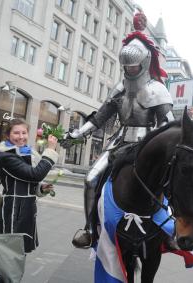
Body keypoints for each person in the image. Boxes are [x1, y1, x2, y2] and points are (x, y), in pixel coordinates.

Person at [62, 23, 174, 248]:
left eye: (134, 66)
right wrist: (78, 133)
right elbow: (100, 118)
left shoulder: (158, 89)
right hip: (120, 140)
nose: (130, 70)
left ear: (143, 63)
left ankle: (172, 231)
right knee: (91, 179)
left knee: (170, 180)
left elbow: (167, 123)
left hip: (148, 142)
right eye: (127, 67)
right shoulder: (119, 89)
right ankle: (89, 229)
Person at [0, 118, 59, 253]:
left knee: (21, 252)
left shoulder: (25, 153)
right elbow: (35, 174)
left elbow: (27, 180)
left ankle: (14, 274)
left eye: (24, 133)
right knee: (10, 251)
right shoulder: (7, 156)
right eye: (16, 133)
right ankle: (6, 274)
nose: (21, 137)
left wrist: (40, 188)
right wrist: (50, 150)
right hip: (14, 210)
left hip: (27, 209)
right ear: (8, 135)